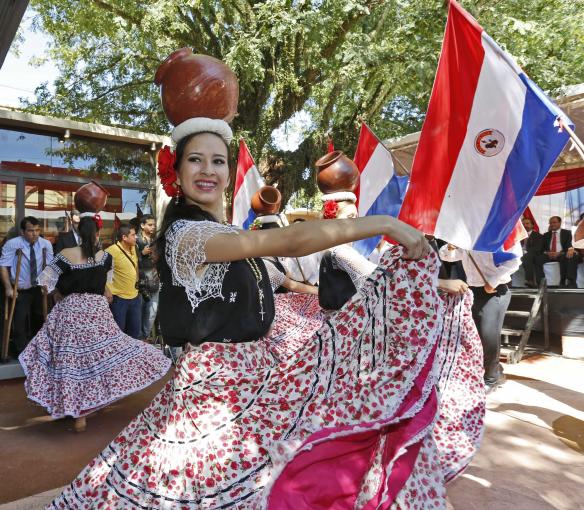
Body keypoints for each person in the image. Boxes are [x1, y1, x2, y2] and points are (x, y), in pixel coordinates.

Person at [51, 51, 448, 509]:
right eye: (195, 161)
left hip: (254, 382)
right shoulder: (187, 235)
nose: (209, 171)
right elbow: (292, 243)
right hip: (214, 393)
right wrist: (381, 223)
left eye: (218, 162)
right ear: (176, 173)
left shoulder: (223, 232)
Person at [18, 214, 171, 432]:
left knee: (71, 362)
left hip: (70, 313)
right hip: (97, 313)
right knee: (98, 359)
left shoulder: (65, 255)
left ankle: (77, 411)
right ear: (98, 234)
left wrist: (57, 293)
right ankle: (90, 404)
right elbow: (105, 286)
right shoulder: (104, 257)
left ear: (78, 233)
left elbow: (44, 283)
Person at [440, 244, 520, 393]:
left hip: (494, 290)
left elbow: (515, 261)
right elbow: (447, 257)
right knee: (474, 335)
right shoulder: (467, 239)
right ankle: (491, 371)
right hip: (472, 290)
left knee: (488, 335)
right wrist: (450, 247)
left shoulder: (496, 236)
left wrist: (493, 281)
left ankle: (491, 378)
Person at [0, 217, 53, 359]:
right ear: (22, 231)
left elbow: (50, 267)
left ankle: (39, 350)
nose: (35, 234)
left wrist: (48, 285)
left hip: (38, 288)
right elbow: (3, 266)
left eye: (37, 230)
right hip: (20, 289)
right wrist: (8, 287)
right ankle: (22, 351)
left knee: (41, 318)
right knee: (19, 320)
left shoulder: (46, 244)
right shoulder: (13, 244)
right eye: (31, 231)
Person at [106, 224, 142, 339]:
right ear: (124, 237)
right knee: (118, 335)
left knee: (134, 334)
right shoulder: (111, 251)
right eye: (133, 235)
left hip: (135, 297)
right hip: (118, 299)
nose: (136, 237)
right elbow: (102, 272)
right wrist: (107, 290)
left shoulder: (134, 248)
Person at [535, 215, 578, 287]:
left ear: (560, 223)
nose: (552, 224)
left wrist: (560, 253)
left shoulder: (567, 233)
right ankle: (540, 283)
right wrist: (547, 253)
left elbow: (570, 245)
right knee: (538, 259)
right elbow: (541, 248)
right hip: (549, 255)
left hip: (561, 254)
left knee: (567, 257)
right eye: (550, 223)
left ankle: (566, 281)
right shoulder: (546, 235)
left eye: (554, 222)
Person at [136, 214, 160, 340]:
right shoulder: (135, 240)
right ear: (142, 225)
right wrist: (141, 253)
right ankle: (139, 340)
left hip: (155, 281)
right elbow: (129, 261)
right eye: (150, 225)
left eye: (154, 225)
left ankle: (145, 337)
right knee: (139, 313)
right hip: (140, 283)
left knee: (152, 313)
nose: (153, 227)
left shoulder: (156, 240)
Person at [520, 216, 543, 287]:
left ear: (532, 225)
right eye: (523, 224)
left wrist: (525, 251)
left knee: (527, 256)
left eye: (527, 223)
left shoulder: (538, 235)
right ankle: (506, 282)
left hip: (532, 255)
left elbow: (537, 248)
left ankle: (530, 280)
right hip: (519, 254)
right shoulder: (518, 235)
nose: (525, 225)